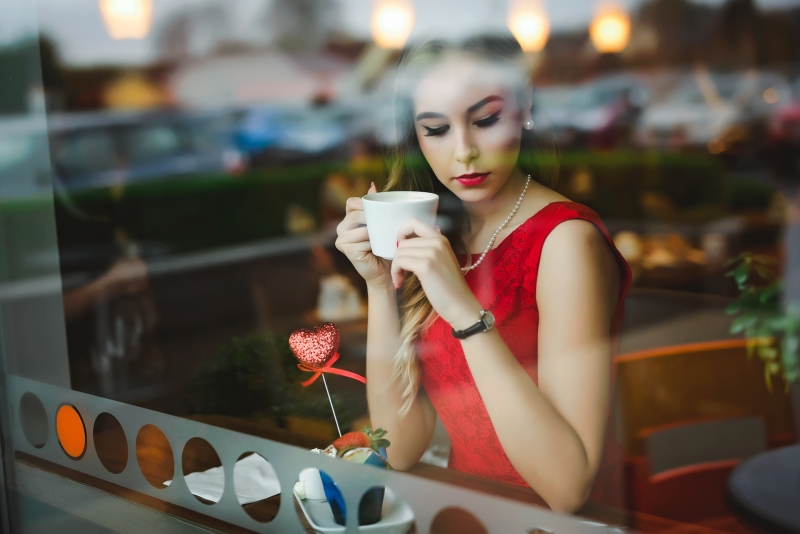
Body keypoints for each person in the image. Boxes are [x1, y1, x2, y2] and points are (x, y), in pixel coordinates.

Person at [335, 33, 631, 513]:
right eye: (436, 129)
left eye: (486, 120)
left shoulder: (565, 242)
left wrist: (464, 311)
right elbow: (400, 449)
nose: (465, 151)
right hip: (466, 518)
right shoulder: (436, 237)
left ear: (524, 105)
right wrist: (377, 284)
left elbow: (567, 489)